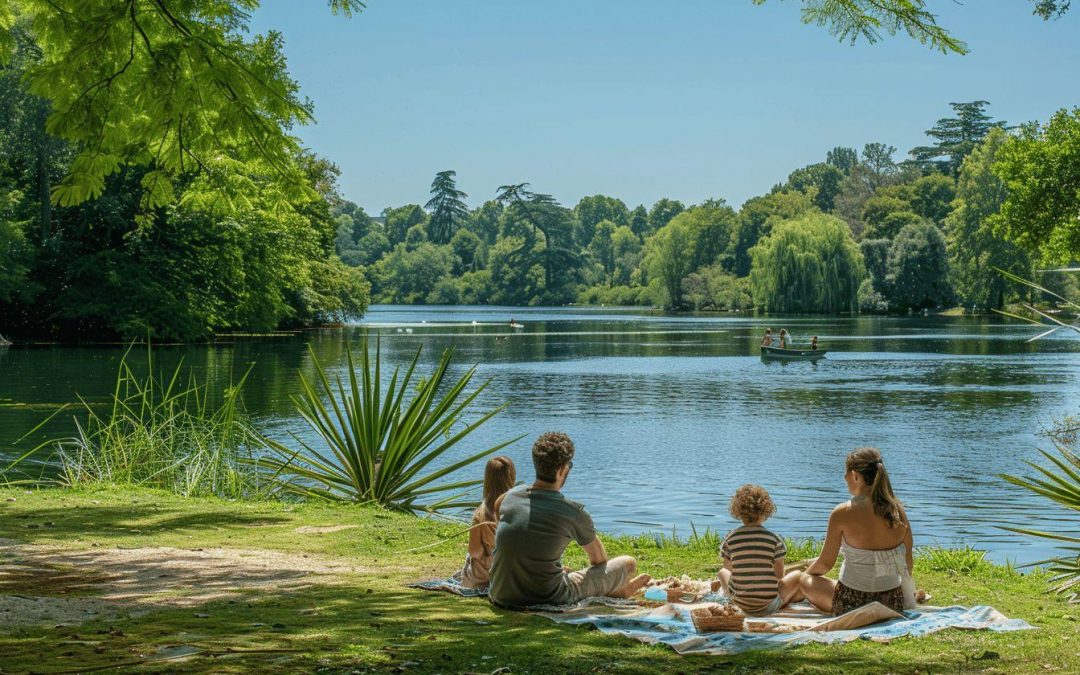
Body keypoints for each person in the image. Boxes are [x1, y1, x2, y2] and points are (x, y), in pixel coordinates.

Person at [488, 432, 651, 608]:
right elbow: (599, 561)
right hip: (548, 596)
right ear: (561, 470)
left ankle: (613, 592)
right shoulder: (573, 512)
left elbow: (498, 509)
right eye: (569, 465)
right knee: (628, 563)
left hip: (501, 594)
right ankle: (617, 592)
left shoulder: (510, 496)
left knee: (563, 572)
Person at [798, 447, 916, 615]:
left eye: (846, 473)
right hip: (891, 602)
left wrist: (806, 575)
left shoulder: (842, 513)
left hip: (851, 602)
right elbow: (908, 564)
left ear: (855, 476)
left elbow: (825, 564)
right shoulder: (898, 512)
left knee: (803, 580)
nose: (844, 477)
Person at [714, 485, 803, 615]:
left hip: (739, 603)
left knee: (723, 572)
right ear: (765, 511)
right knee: (797, 575)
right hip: (768, 606)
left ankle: (726, 597)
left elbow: (730, 570)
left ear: (738, 511)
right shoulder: (774, 540)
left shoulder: (731, 539)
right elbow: (779, 576)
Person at [458, 456, 516, 589]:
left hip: (485, 575)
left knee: (471, 558)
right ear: (511, 477)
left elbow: (475, 552)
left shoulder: (481, 513)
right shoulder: (518, 507)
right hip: (511, 572)